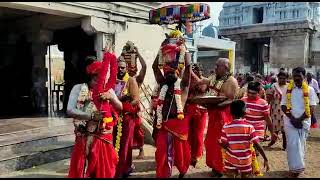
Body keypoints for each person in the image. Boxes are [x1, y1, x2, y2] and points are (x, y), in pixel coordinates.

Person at [67, 51, 122, 178]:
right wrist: (91, 116)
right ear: (91, 75)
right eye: (97, 75)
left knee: (104, 172)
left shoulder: (107, 89)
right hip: (85, 135)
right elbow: (70, 110)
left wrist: (112, 98)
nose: (101, 78)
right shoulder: (79, 88)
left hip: (103, 137)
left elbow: (120, 107)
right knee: (82, 170)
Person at [153, 30, 192, 178]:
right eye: (167, 70)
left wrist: (184, 49)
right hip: (163, 124)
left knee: (181, 157)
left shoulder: (183, 87)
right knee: (162, 154)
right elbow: (154, 67)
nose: (169, 72)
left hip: (178, 124)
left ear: (179, 72)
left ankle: (182, 172)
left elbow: (188, 68)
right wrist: (162, 48)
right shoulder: (162, 83)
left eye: (173, 70)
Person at [194, 58, 239, 177]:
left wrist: (214, 105)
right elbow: (204, 81)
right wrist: (194, 73)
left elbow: (231, 100)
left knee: (220, 142)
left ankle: (221, 168)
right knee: (210, 142)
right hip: (214, 114)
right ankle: (214, 165)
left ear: (225, 68)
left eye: (217, 65)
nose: (215, 67)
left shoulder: (232, 81)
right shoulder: (215, 78)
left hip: (223, 116)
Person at [281, 67, 317, 178]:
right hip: (289, 121)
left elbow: (311, 108)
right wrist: (292, 119)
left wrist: (299, 120)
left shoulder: (310, 90)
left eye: (299, 76)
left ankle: (297, 168)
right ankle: (295, 169)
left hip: (304, 122)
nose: (296, 78)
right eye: (294, 76)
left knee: (301, 145)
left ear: (304, 77)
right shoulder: (287, 88)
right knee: (292, 145)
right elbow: (283, 106)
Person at [219, 100, 269, 178]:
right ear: (245, 113)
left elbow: (225, 146)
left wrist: (220, 143)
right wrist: (265, 159)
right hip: (245, 160)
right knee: (246, 176)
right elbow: (257, 144)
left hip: (230, 160)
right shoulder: (249, 127)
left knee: (230, 175)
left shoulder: (226, 127)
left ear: (230, 113)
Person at [119, 43, 147, 159]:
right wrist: (122, 54)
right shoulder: (119, 79)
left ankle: (140, 149)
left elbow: (144, 67)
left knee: (137, 130)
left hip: (133, 108)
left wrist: (138, 53)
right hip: (121, 108)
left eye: (124, 67)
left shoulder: (136, 79)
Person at [113, 58, 140, 178]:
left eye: (122, 67)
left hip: (127, 118)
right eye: (118, 67)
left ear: (127, 68)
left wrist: (123, 103)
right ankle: (114, 167)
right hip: (114, 116)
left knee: (125, 145)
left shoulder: (131, 80)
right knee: (114, 143)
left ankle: (123, 168)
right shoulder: (113, 80)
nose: (120, 69)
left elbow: (135, 100)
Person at [185, 63, 208, 168]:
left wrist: (191, 73)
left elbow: (202, 89)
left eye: (198, 70)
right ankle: (188, 154)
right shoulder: (187, 80)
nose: (196, 72)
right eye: (194, 70)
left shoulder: (205, 80)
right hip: (189, 109)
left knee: (198, 134)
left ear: (201, 71)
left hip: (201, 110)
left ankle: (196, 155)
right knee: (188, 133)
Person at [266, 71, 288, 149]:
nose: (282, 80)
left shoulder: (289, 87)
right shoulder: (273, 86)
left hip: (286, 111)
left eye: (284, 78)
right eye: (280, 78)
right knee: (275, 127)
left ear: (287, 79)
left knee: (285, 129)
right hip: (275, 110)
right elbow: (268, 97)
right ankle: (273, 140)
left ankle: (285, 145)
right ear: (277, 78)